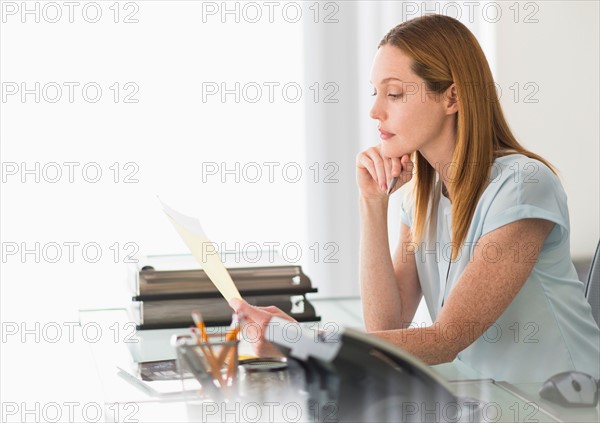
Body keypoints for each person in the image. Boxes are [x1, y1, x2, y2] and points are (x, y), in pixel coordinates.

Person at [229, 14, 600, 383]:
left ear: (452, 96)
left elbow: (445, 340)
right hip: (491, 400)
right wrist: (372, 204)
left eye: (394, 94)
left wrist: (302, 342)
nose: (375, 111)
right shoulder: (421, 198)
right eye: (375, 93)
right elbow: (388, 326)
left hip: (567, 403)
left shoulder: (522, 185)